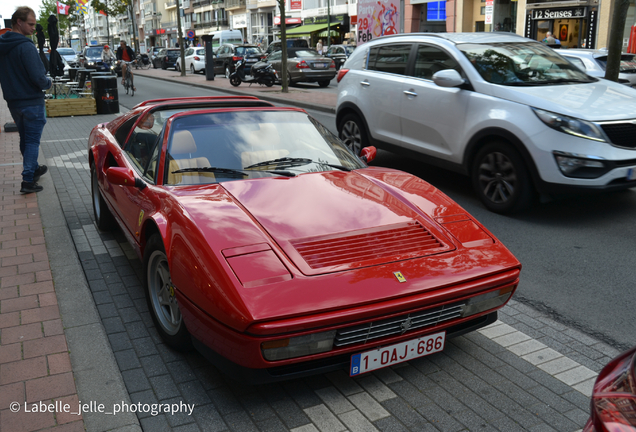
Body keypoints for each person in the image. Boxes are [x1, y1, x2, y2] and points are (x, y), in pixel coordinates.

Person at [0, 6, 51, 194]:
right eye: (30, 24)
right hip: (31, 101)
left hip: (13, 101)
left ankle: (34, 168)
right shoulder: (26, 46)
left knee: (25, 138)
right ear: (18, 22)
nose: (33, 28)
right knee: (32, 142)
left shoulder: (3, 46)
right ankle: (28, 179)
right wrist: (48, 83)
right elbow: (38, 78)